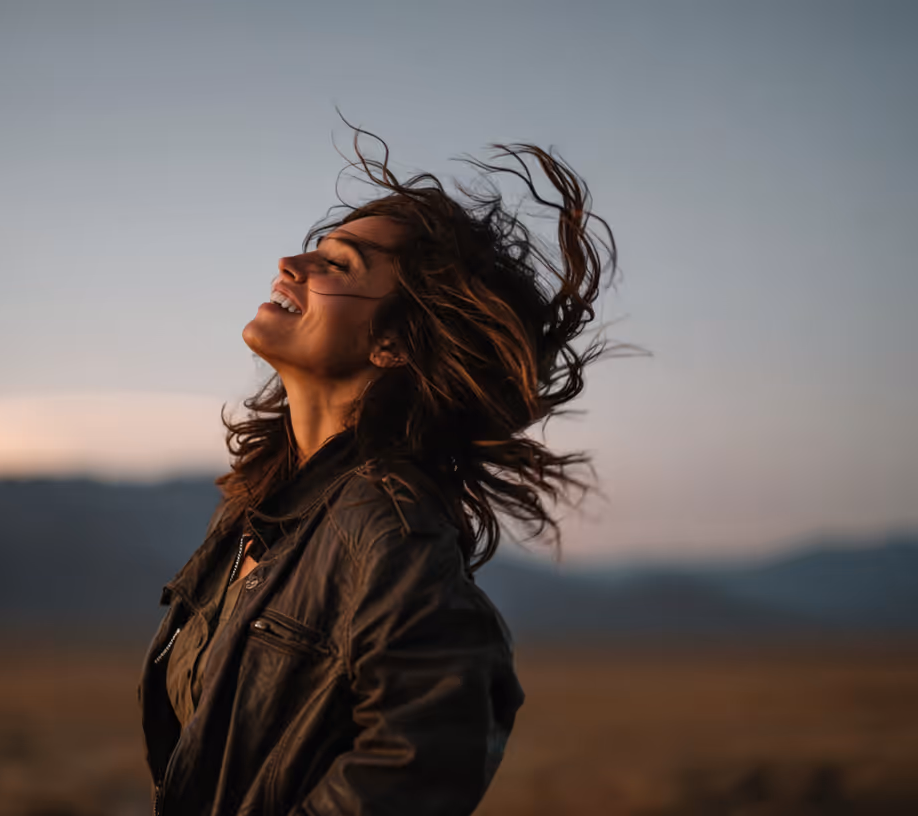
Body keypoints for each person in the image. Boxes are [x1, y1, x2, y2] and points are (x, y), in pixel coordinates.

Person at [137, 124, 622, 815]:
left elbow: (423, 758)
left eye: (339, 265)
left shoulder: (390, 526)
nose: (289, 263)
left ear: (394, 342)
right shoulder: (257, 510)